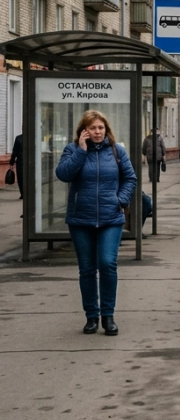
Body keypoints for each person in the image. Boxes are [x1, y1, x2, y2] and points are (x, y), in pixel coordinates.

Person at [55, 110, 136, 336]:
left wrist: (121, 200)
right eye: (92, 128)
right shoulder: (72, 150)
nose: (97, 132)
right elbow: (63, 174)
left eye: (100, 128)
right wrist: (81, 151)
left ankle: (108, 316)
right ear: (84, 131)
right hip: (81, 218)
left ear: (106, 129)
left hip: (111, 217)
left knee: (107, 263)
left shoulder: (116, 150)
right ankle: (91, 316)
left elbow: (130, 177)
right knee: (87, 269)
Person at [10, 133, 22, 199]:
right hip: (30, 162)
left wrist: (11, 162)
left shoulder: (18, 138)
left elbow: (15, 151)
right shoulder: (32, 138)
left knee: (20, 178)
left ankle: (23, 193)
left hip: (20, 161)